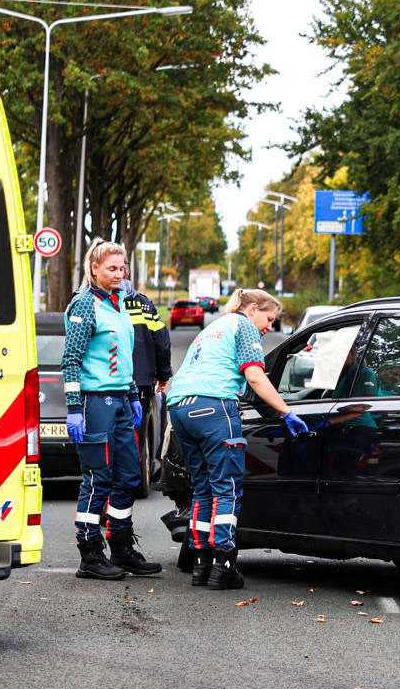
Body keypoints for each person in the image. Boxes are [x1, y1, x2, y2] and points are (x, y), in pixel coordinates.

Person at [164, 289, 308, 589]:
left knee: (202, 487)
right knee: (226, 488)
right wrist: (286, 412)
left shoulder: (215, 327)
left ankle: (200, 564)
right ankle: (224, 565)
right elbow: (255, 376)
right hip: (213, 407)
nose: (269, 327)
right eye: (269, 319)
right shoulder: (243, 326)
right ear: (253, 309)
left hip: (180, 409)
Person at [63, 241, 161, 580]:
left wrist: (133, 395)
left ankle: (121, 546)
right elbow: (71, 360)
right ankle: (89, 553)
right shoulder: (84, 305)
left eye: (122, 269)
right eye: (112, 269)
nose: (120, 274)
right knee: (98, 478)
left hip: (120, 400)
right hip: (95, 402)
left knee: (130, 477)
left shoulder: (119, 305)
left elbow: (123, 360)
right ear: (94, 268)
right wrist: (75, 407)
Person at [121, 277, 172, 494]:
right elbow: (162, 340)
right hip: (140, 381)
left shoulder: (92, 300)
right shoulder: (144, 304)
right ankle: (129, 486)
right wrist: (163, 374)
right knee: (135, 438)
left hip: (102, 385)